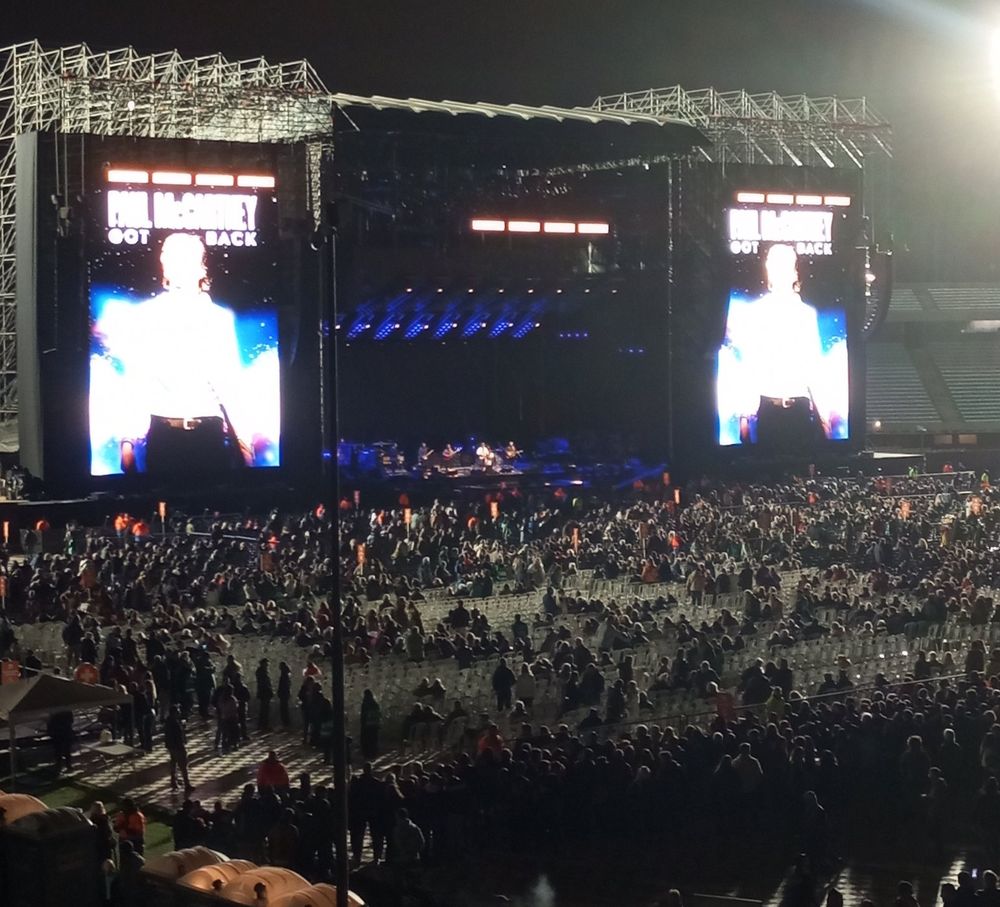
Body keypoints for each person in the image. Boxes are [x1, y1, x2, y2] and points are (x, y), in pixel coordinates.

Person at [90, 231, 256, 476]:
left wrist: (245, 446)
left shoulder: (218, 319)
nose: (174, 267)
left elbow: (230, 387)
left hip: (208, 438)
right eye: (169, 259)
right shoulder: (148, 316)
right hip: (163, 437)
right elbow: (138, 381)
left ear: (201, 268)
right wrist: (127, 443)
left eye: (183, 259)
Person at [717, 242, 842, 447]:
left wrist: (824, 420)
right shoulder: (757, 313)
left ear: (794, 272)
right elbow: (751, 367)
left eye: (784, 266)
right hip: (768, 410)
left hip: (800, 411)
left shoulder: (805, 315)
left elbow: (813, 369)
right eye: (774, 266)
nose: (779, 272)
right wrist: (744, 418)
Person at [164, 704, 194, 792]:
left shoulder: (168, 722)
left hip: (171, 746)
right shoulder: (175, 724)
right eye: (178, 711)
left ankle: (174, 781)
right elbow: (179, 736)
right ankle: (187, 784)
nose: (179, 712)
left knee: (173, 763)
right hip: (178, 747)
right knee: (183, 766)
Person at [360, 689, 382, 760]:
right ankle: (373, 754)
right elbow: (379, 715)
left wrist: (362, 724)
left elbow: (363, 716)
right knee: (374, 741)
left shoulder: (365, 704)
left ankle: (367, 755)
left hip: (367, 726)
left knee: (366, 741)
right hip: (375, 726)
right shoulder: (375, 704)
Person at [255, 658, 273, 732]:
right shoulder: (262, 672)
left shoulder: (261, 671)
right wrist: (269, 690)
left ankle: (262, 724)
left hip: (264, 692)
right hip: (264, 692)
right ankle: (264, 725)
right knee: (265, 709)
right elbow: (265, 683)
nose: (267, 665)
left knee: (264, 709)